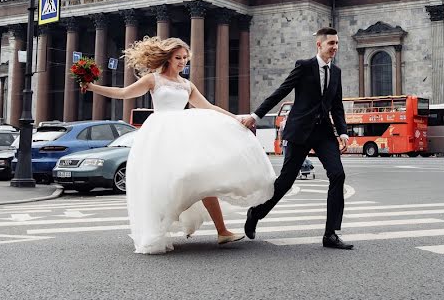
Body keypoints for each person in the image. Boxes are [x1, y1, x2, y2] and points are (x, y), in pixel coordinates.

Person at [84, 36, 274, 254]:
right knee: (168, 183)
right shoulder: (153, 80)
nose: (182, 61)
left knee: (203, 177)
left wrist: (236, 118)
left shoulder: (187, 84)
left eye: (185, 58)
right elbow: (124, 93)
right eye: (178, 57)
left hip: (186, 136)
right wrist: (92, 87)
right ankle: (160, 229)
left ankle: (222, 231)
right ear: (168, 58)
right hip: (161, 136)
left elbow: (209, 106)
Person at [240, 27, 354, 250]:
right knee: (285, 181)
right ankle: (256, 212)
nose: (335, 47)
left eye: (337, 43)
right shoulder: (304, 66)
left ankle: (330, 234)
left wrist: (342, 132)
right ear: (319, 45)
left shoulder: (336, 72)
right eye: (331, 43)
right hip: (300, 131)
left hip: (323, 133)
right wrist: (256, 115)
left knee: (338, 175)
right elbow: (282, 91)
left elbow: (337, 105)